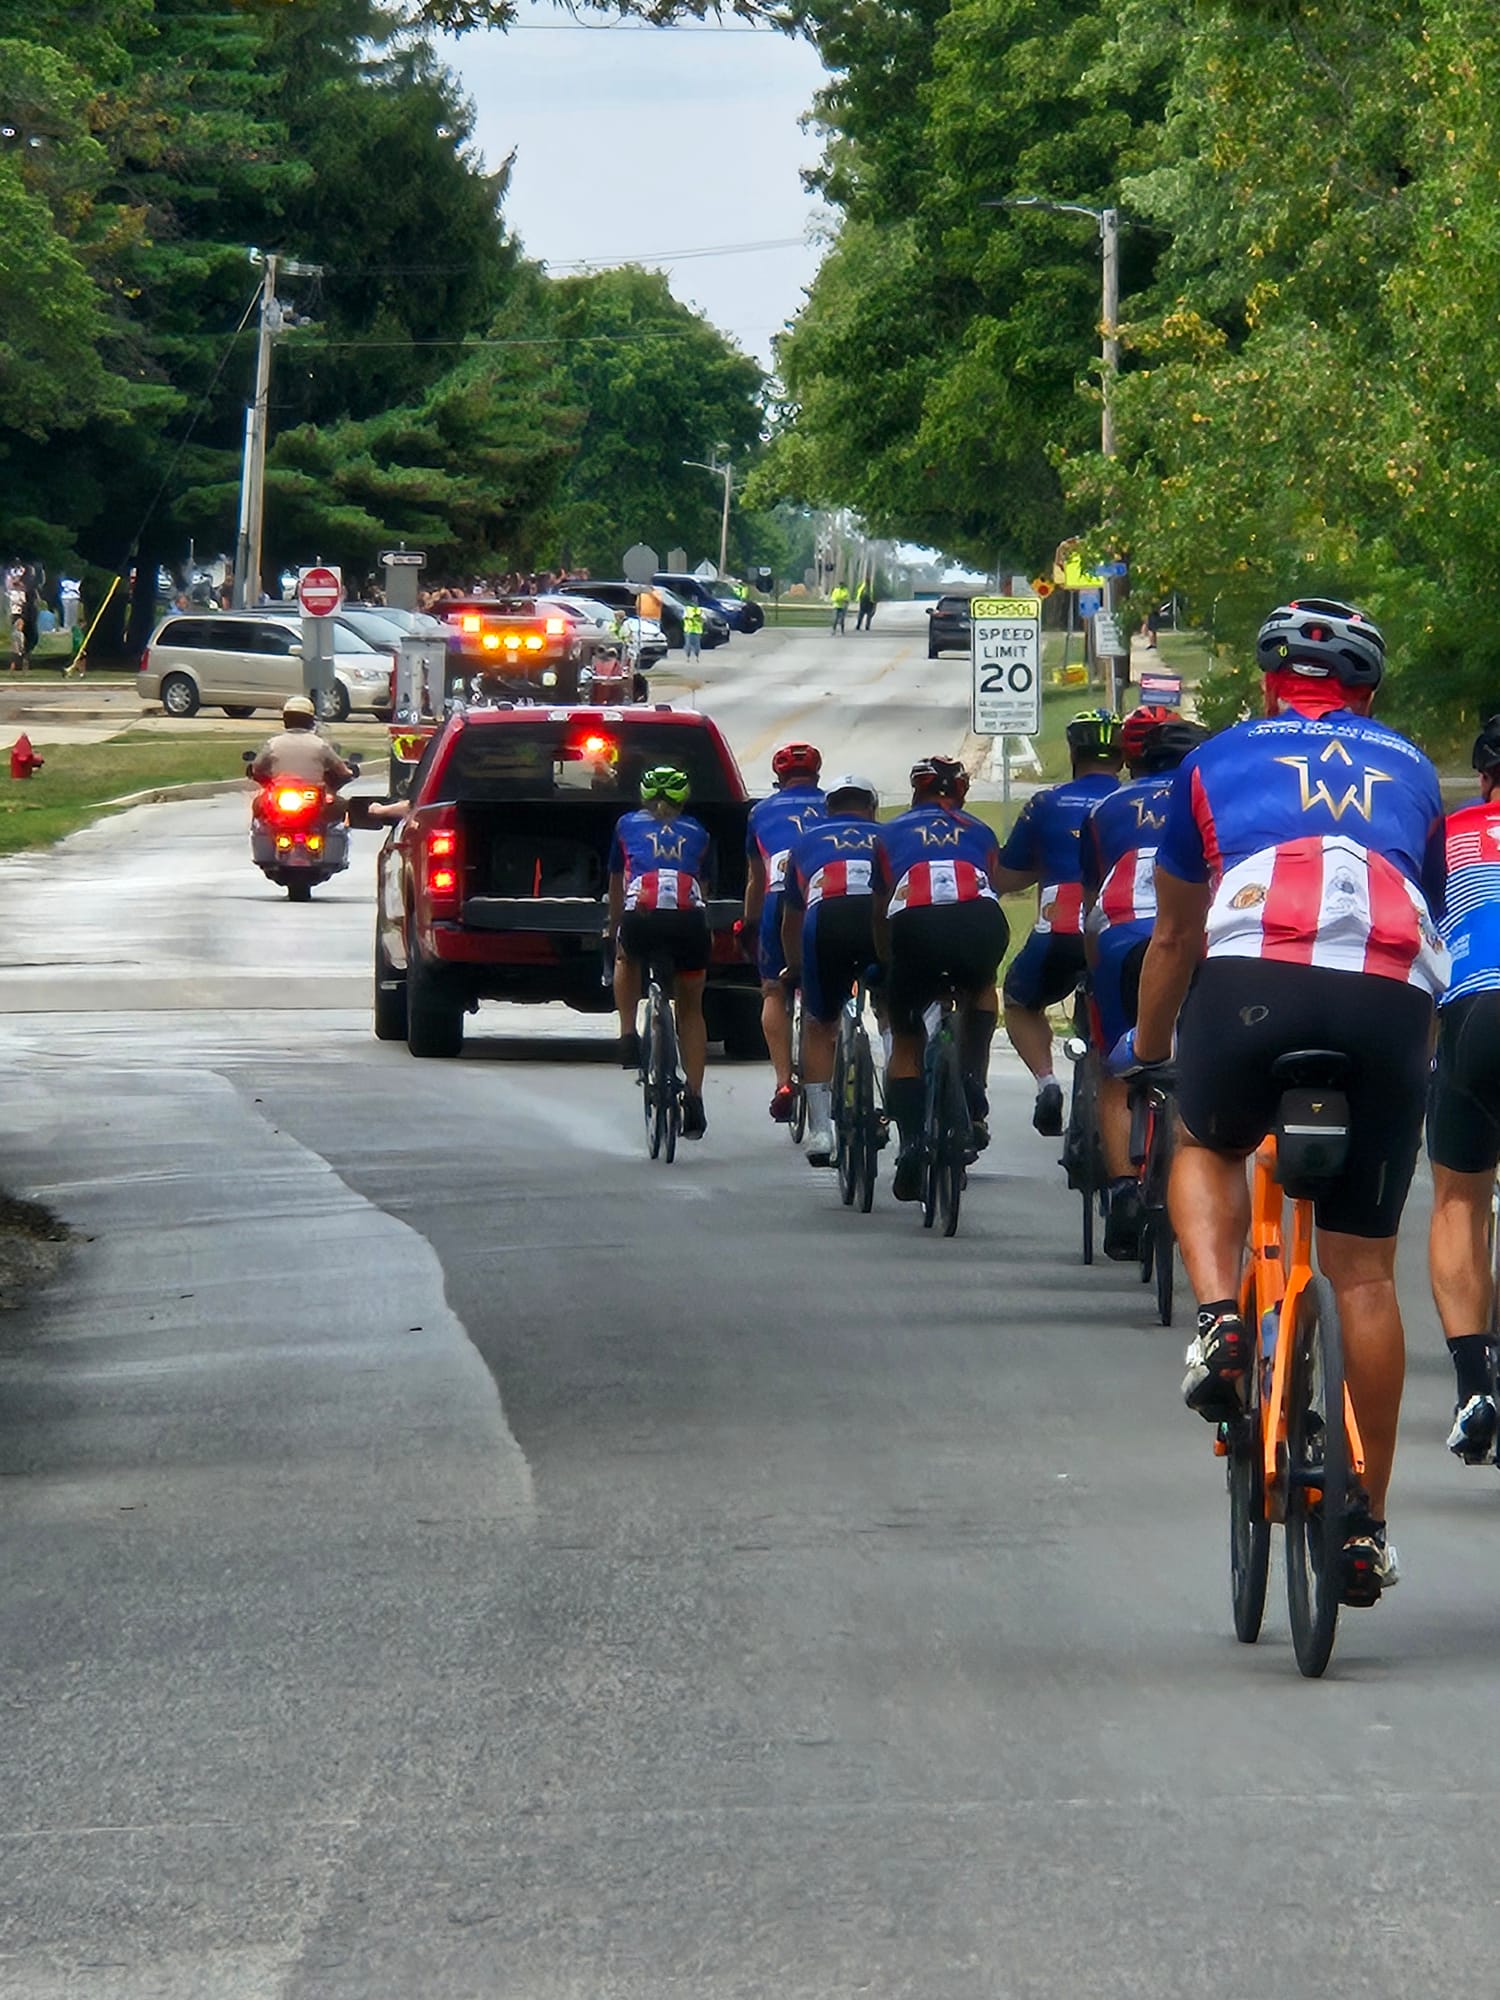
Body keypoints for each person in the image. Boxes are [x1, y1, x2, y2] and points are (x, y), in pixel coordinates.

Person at [1117, 597, 1447, 1596]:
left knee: (1207, 1143)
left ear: (1267, 685)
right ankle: (1364, 1524)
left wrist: (1153, 1051)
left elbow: (1174, 936)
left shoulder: (1213, 760)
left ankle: (1221, 1318)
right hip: (1388, 996)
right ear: (1366, 693)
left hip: (1256, 980)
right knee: (1366, 1276)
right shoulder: (1415, 768)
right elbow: (1424, 912)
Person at [1081, 708, 1208, 1259]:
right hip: (1197, 938)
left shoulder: (1105, 808)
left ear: (1135, 763)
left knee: (1114, 1066)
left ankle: (1123, 1191)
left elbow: (1091, 900)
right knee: (1195, 1063)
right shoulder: (1212, 796)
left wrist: (1094, 972)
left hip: (1121, 937)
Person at [874, 756, 1009, 1198]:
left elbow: (881, 907)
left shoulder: (888, 833)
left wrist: (889, 963)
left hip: (916, 926)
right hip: (980, 921)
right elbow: (991, 884)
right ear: (962, 792)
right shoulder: (981, 830)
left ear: (916, 792)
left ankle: (913, 1141)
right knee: (982, 986)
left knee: (907, 1038)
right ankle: (971, 1077)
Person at [1425, 715, 1500, 1463]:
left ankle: (1475, 1388)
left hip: (1477, 1008)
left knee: (1459, 1202)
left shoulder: (1449, 834)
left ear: (1483, 779)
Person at [993, 709, 1124, 1135]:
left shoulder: (1045, 803)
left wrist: (1046, 863)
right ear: (1121, 756)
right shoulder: (1134, 803)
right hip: (1119, 929)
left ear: (1072, 753)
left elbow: (1006, 878)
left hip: (1061, 928)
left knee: (1019, 1001)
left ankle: (1047, 1082)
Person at [780, 774, 882, 1165]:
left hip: (826, 921)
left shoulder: (805, 842)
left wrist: (795, 965)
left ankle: (821, 1131)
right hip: (875, 921)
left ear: (828, 808)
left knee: (820, 1024)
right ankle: (896, 1106)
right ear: (871, 807)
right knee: (894, 1014)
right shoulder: (886, 835)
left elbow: (791, 917)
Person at [608, 765, 712, 1139]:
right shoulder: (699, 832)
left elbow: (617, 884)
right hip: (688, 922)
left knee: (626, 955)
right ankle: (695, 1098)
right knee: (691, 1008)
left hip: (642, 916)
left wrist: (614, 928)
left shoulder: (625, 826)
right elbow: (703, 890)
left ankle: (626, 1036)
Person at [743, 743, 825, 1123]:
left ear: (779, 778)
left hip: (778, 897)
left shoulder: (760, 812)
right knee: (824, 989)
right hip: (825, 895)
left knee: (774, 990)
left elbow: (755, 878)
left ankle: (782, 1083)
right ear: (817, 775)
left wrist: (749, 923)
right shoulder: (834, 803)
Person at [249, 696, 355, 791]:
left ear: (285, 719)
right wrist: (350, 772)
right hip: (312, 796)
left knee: (258, 802)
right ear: (310, 720)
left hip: (280, 795)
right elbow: (343, 771)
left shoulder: (273, 744)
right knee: (339, 803)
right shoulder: (320, 745)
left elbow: (256, 769)